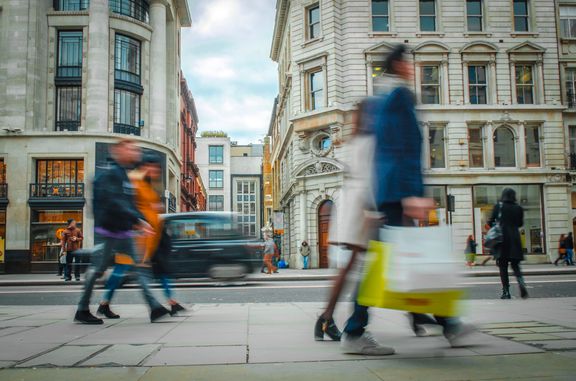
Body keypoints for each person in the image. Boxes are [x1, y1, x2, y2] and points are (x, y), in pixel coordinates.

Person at [340, 45, 471, 355]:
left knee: (400, 261)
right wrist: (414, 193)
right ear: (398, 64)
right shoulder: (399, 97)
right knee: (389, 264)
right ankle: (356, 332)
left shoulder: (383, 97)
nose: (413, 68)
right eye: (409, 62)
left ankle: (449, 323)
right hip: (398, 193)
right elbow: (403, 147)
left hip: (388, 193)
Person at [74, 139, 170, 324]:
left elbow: (128, 203)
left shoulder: (124, 174)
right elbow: (115, 202)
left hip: (124, 231)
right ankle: (82, 308)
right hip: (110, 231)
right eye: (131, 149)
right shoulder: (112, 173)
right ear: (119, 150)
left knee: (140, 269)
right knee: (98, 270)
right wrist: (139, 221)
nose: (135, 152)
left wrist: (138, 220)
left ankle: (155, 307)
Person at [314, 99, 377, 342]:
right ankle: (340, 322)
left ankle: (325, 319)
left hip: (352, 204)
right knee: (360, 268)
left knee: (350, 268)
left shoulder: (355, 140)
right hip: (363, 206)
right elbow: (371, 177)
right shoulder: (369, 141)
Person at [97, 153, 185, 319]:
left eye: (158, 168)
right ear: (146, 166)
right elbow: (127, 207)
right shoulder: (134, 181)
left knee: (126, 271)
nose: (157, 171)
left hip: (150, 238)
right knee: (125, 271)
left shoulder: (148, 184)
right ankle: (158, 307)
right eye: (154, 167)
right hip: (135, 237)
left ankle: (105, 304)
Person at [488, 188, 528, 300]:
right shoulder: (518, 208)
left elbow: (490, 221)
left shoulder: (499, 206)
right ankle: (521, 283)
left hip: (502, 240)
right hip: (515, 239)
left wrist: (496, 225)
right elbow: (520, 223)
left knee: (503, 267)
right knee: (515, 265)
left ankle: (506, 292)